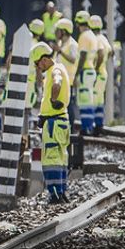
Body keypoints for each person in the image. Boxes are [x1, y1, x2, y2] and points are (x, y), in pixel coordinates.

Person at [32, 41, 72, 203]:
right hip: (61, 120)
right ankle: (61, 192)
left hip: (54, 123)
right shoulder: (57, 69)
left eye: (38, 63)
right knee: (61, 158)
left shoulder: (55, 70)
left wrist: (53, 99)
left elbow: (56, 83)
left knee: (51, 158)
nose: (38, 66)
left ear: (44, 59)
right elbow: (42, 84)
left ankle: (55, 194)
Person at [75, 13, 102, 135]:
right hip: (92, 70)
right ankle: (90, 126)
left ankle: (86, 127)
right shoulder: (92, 36)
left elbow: (83, 55)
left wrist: (77, 72)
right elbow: (98, 55)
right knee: (90, 99)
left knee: (85, 100)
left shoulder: (84, 36)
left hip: (85, 71)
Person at [89, 14, 111, 133]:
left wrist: (96, 68)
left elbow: (101, 53)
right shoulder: (103, 38)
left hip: (97, 73)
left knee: (93, 100)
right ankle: (98, 124)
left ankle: (94, 126)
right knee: (99, 100)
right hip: (103, 73)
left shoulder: (95, 39)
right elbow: (110, 51)